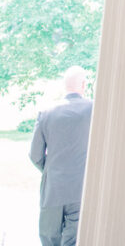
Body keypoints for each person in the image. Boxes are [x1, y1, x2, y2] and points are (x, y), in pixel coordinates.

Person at [29, 66, 93, 246]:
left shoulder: (46, 112)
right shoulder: (94, 109)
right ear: (83, 84)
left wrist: (51, 171)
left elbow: (35, 155)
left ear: (65, 86)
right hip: (81, 187)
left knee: (49, 238)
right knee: (74, 241)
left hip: (53, 189)